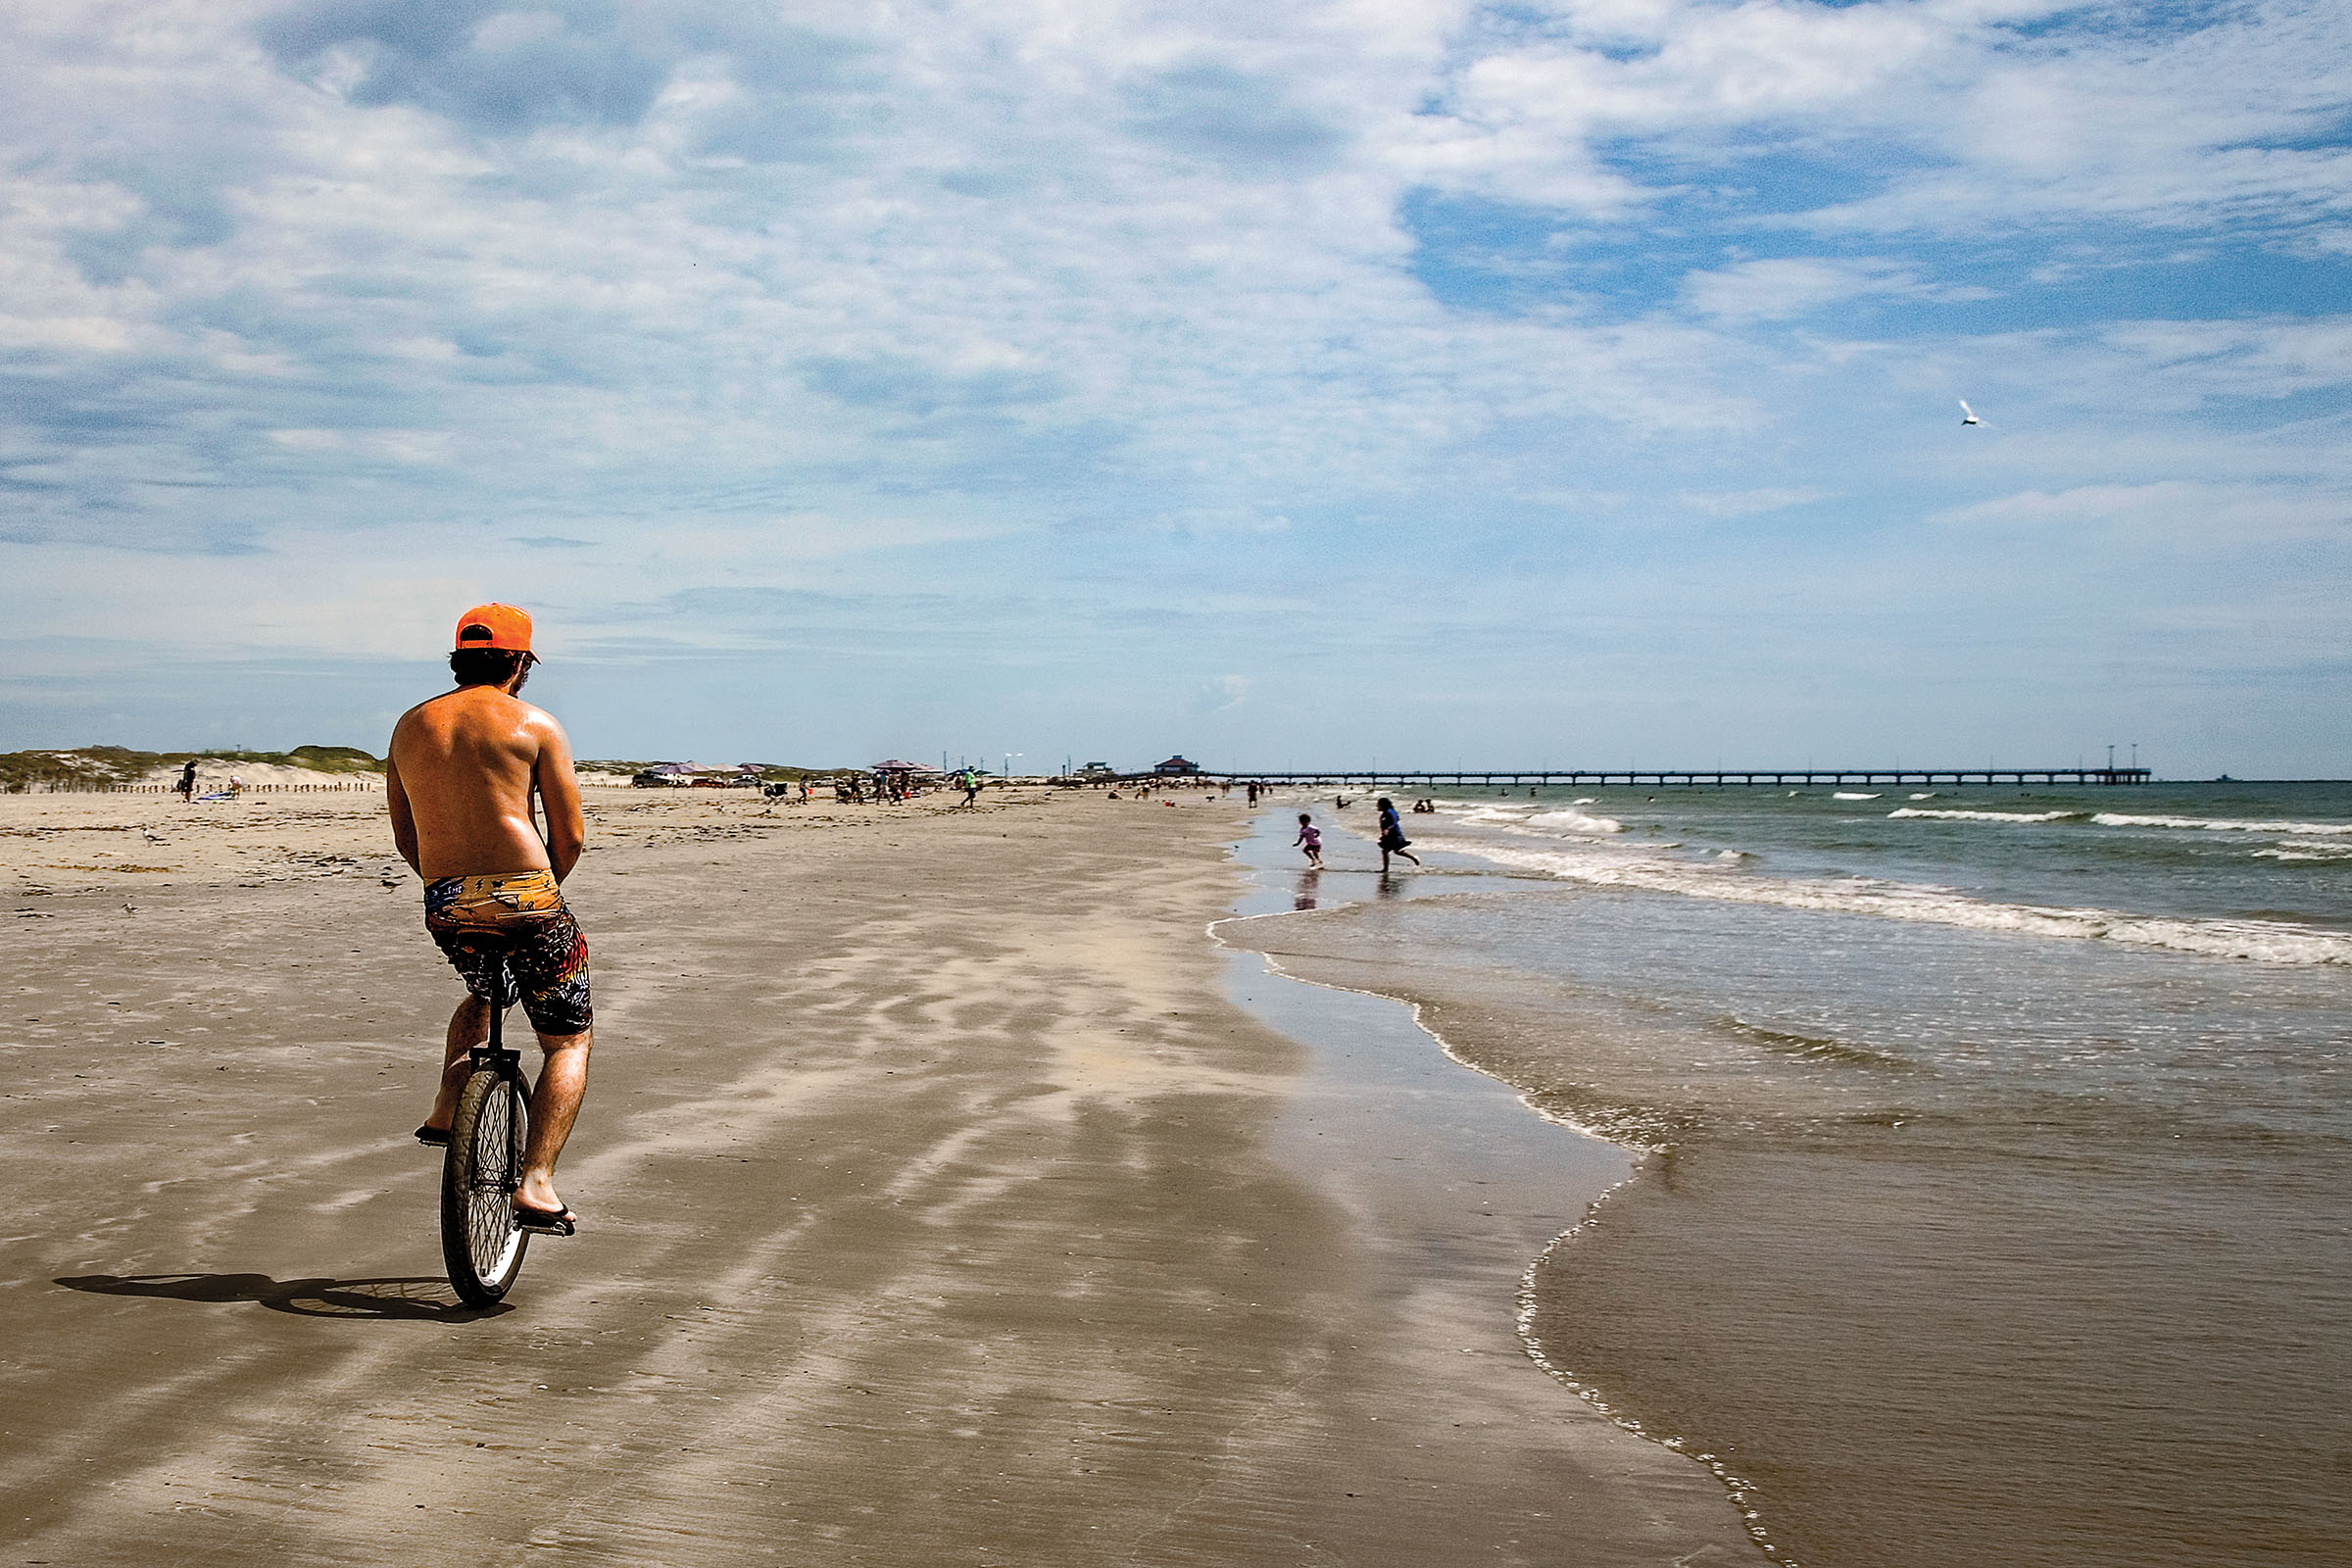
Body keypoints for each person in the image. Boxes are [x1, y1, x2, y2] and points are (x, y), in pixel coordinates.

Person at [387, 604, 592, 1237]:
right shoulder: (536, 725)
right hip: (527, 896)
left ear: (460, 658)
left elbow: (405, 838)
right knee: (567, 1040)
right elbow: (571, 836)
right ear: (519, 663)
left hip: (447, 901)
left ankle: (448, 1102)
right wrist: (536, 893)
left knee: (484, 990)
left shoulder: (409, 728)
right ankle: (536, 1182)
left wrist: (453, 889)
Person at [1376, 797, 1420, 873]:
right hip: (1388, 836)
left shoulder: (1390, 812)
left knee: (1387, 851)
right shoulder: (1384, 813)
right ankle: (1414, 858)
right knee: (1396, 851)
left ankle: (1385, 869)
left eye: (1378, 805)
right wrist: (1383, 834)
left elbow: (1394, 822)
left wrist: (1388, 829)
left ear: (1383, 805)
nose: (1377, 806)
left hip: (1395, 835)